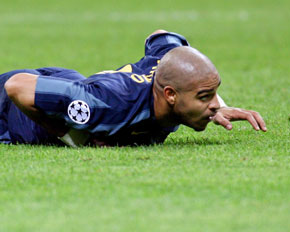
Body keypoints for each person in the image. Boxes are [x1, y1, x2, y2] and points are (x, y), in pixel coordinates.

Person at [0, 30, 266, 147]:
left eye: (213, 94)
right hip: (15, 113)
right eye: (204, 97)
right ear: (170, 95)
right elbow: (17, 87)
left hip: (74, 88)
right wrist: (72, 136)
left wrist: (215, 106)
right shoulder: (110, 106)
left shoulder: (168, 66)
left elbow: (162, 36)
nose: (213, 104)